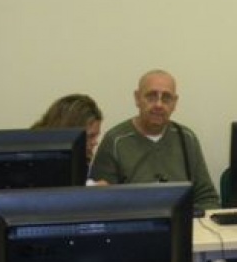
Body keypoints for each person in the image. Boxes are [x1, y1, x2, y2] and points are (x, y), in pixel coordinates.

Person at [90, 69, 220, 211]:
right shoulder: (115, 140)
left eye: (166, 98)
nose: (159, 105)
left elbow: (207, 197)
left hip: (184, 226)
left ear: (175, 103)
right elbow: (100, 202)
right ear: (137, 98)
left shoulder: (187, 138)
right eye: (151, 97)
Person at [31, 93, 103, 164]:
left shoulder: (82, 159)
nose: (95, 142)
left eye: (96, 136)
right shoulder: (33, 157)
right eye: (90, 136)